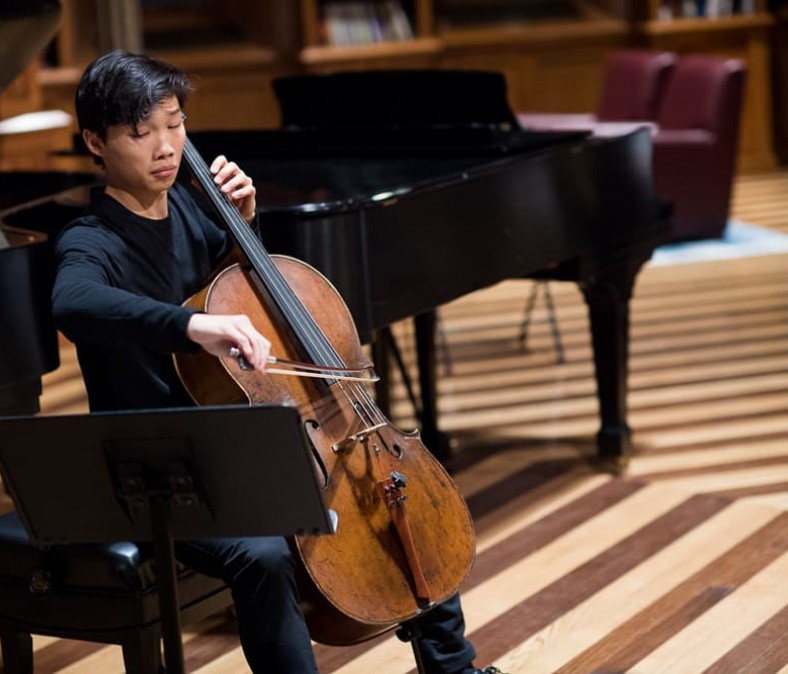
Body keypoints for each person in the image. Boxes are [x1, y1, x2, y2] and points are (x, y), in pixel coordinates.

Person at [52, 49, 506, 674]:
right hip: (163, 470)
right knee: (262, 552)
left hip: (240, 445)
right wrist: (192, 325)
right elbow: (72, 302)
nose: (165, 146)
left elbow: (241, 308)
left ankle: (454, 669)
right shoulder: (90, 241)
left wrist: (244, 227)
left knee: (396, 489)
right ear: (95, 143)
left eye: (174, 123)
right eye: (141, 132)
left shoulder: (192, 209)